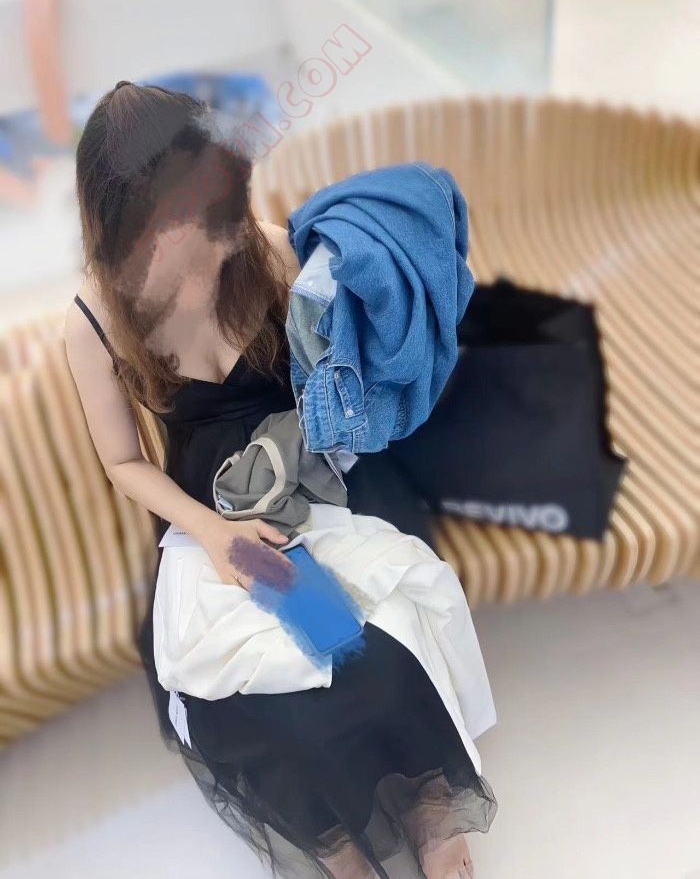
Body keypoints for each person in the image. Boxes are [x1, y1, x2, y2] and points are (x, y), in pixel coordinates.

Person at [65, 81, 496, 879]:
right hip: (212, 515)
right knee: (244, 698)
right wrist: (211, 532)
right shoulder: (95, 316)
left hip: (320, 484)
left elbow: (343, 371)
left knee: (380, 645)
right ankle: (335, 842)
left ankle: (429, 807)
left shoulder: (261, 250)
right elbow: (123, 462)